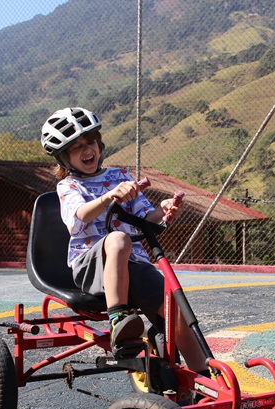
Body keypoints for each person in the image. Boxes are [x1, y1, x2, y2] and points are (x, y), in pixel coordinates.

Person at [41, 107, 207, 373]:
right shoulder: (69, 186)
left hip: (134, 266)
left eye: (90, 142)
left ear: (99, 143)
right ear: (63, 157)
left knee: (177, 314)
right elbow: (79, 216)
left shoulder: (119, 176)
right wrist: (109, 197)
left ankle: (204, 382)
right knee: (117, 239)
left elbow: (145, 217)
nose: (87, 151)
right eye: (76, 147)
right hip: (91, 268)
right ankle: (119, 320)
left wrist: (163, 211)